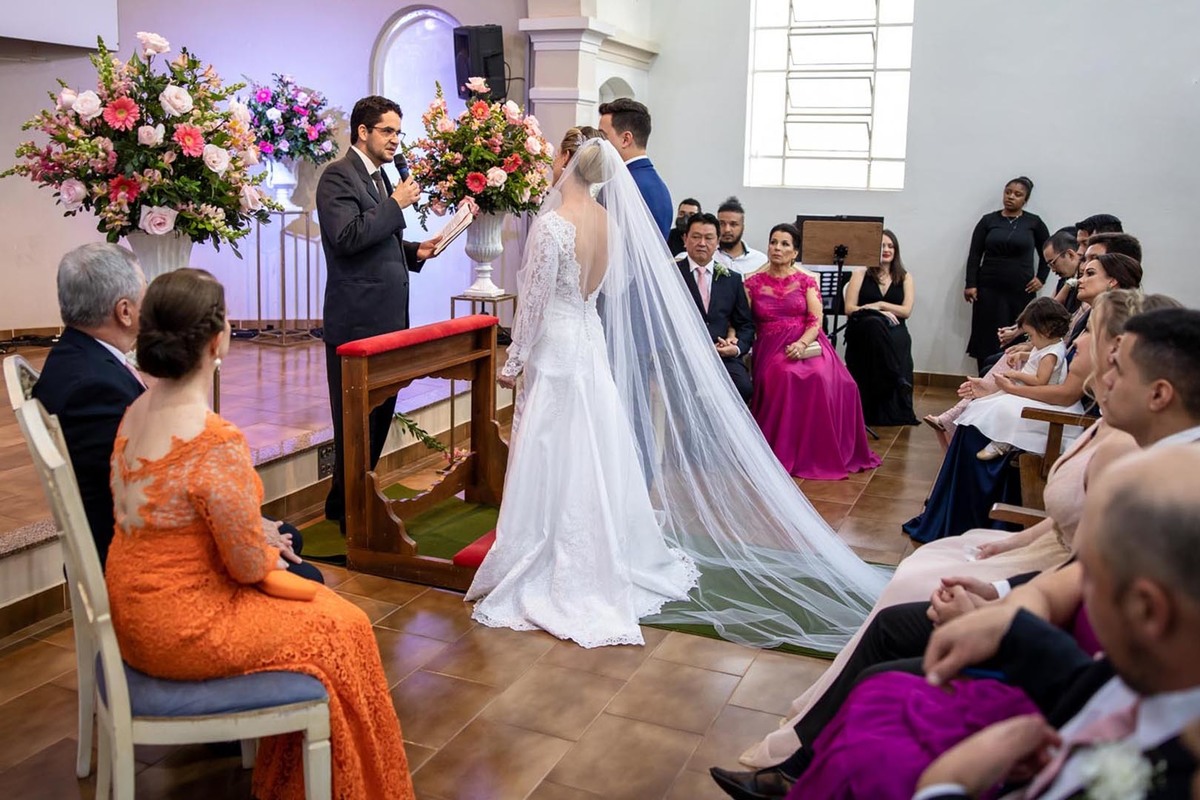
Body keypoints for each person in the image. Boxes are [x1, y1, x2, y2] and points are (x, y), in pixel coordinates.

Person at [716, 291, 1158, 794]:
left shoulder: (1131, 454)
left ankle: (802, 768)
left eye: (1087, 340)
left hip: (1048, 575)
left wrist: (1003, 597)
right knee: (915, 583)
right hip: (1041, 562)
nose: (1075, 347)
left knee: (916, 588)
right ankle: (802, 760)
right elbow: (1069, 522)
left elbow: (1084, 559)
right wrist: (1009, 549)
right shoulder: (1107, 423)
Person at [466, 137, 888, 652]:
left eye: (556, 157)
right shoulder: (608, 222)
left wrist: (513, 360)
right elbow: (605, 289)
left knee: (553, 441)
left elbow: (533, 303)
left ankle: (552, 548)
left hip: (556, 344)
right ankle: (602, 539)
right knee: (591, 442)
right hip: (589, 341)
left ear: (566, 162)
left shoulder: (554, 224)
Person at [106, 269, 411, 800]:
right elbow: (247, 566)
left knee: (333, 615)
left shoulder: (134, 411)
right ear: (217, 340)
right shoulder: (213, 438)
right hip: (183, 627)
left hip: (132, 610)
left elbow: (177, 521)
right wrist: (268, 545)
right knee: (347, 629)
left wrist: (260, 538)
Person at [915, 444, 1200, 799]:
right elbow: (1093, 685)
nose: (1077, 587)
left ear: (1147, 610)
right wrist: (1010, 629)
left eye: (1089, 576)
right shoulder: (1161, 667)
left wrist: (944, 785)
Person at [32, 244, 321, 582]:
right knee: (307, 576)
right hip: (131, 554)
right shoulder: (94, 387)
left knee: (288, 537)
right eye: (144, 293)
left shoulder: (78, 358)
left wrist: (247, 523)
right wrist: (244, 531)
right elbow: (142, 491)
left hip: (135, 526)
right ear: (124, 311)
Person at [316, 95, 445, 532]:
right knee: (354, 424)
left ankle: (347, 505)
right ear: (363, 131)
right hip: (356, 322)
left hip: (386, 321)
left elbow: (376, 242)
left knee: (378, 420)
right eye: (388, 131)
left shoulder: (378, 176)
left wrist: (414, 251)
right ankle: (350, 514)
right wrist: (396, 204)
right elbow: (347, 238)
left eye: (397, 132)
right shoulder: (337, 176)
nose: (395, 140)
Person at [745, 223, 881, 480]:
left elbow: (815, 320)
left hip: (807, 342)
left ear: (795, 252)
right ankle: (783, 450)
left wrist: (802, 344)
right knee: (785, 375)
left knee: (827, 378)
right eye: (773, 242)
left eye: (785, 244)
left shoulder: (806, 281)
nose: (777, 248)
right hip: (771, 344)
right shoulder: (751, 283)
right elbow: (744, 322)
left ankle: (817, 450)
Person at [961, 297, 1072, 460]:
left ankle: (1003, 442)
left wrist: (1016, 374)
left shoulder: (1051, 354)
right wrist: (1021, 355)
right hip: (1030, 389)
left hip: (1039, 396)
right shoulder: (1049, 345)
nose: (1030, 340)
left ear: (1046, 331)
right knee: (990, 401)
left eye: (1031, 335)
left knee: (1004, 406)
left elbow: (1040, 380)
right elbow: (1036, 356)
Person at [962, 176, 1051, 375]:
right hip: (988, 289)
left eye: (1017, 194)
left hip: (1020, 291)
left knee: (1017, 333)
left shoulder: (1034, 223)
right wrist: (971, 283)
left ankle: (1012, 380)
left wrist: (1041, 277)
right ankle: (983, 379)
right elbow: (975, 254)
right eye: (1008, 192)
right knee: (986, 336)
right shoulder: (988, 221)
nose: (1010, 197)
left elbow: (1048, 251)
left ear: (1025, 199)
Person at [677, 212, 755, 402]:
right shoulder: (671, 274)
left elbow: (745, 325)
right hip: (681, 355)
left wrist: (735, 348)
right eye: (696, 237)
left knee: (743, 387)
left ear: (718, 241)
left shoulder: (732, 279)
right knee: (681, 393)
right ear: (685, 239)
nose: (702, 243)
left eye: (709, 238)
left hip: (722, 355)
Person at [843, 228, 918, 426]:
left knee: (886, 331)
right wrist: (874, 312)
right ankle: (895, 377)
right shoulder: (860, 273)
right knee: (874, 324)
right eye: (881, 246)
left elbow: (906, 311)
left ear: (896, 250)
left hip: (894, 327)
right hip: (863, 328)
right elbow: (849, 308)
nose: (886, 250)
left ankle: (895, 394)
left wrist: (880, 305)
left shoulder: (905, 277)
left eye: (890, 246)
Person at [598, 97, 673, 238]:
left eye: (603, 136)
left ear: (625, 139)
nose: (598, 143)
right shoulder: (660, 187)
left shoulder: (619, 186)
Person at [715, 196, 768, 274]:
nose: (727, 229)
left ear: (742, 227)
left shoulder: (760, 261)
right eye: (722, 224)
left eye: (733, 224)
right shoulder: (709, 257)